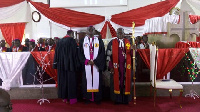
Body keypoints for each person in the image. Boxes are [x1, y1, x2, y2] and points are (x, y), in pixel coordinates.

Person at [79, 26, 105, 104]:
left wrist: (96, 61)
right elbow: (80, 54)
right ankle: (88, 98)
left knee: (97, 81)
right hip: (86, 65)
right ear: (86, 31)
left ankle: (97, 98)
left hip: (96, 65)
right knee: (87, 81)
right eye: (89, 30)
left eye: (92, 30)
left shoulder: (99, 41)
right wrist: (86, 61)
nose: (90, 31)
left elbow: (102, 53)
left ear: (94, 31)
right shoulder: (82, 41)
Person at [106, 28, 132, 104]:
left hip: (125, 67)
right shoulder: (112, 42)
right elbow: (108, 55)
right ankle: (117, 100)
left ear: (124, 34)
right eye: (118, 33)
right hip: (115, 67)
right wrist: (110, 67)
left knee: (125, 82)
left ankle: (125, 100)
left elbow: (132, 55)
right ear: (116, 34)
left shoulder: (128, 42)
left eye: (121, 33)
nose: (120, 34)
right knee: (116, 83)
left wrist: (133, 50)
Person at [53, 30, 79, 104]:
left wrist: (55, 64)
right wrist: (77, 64)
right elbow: (76, 54)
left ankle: (64, 98)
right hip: (71, 65)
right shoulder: (72, 41)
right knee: (71, 81)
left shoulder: (60, 42)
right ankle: (72, 99)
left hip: (61, 66)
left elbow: (56, 54)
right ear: (71, 34)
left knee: (63, 81)